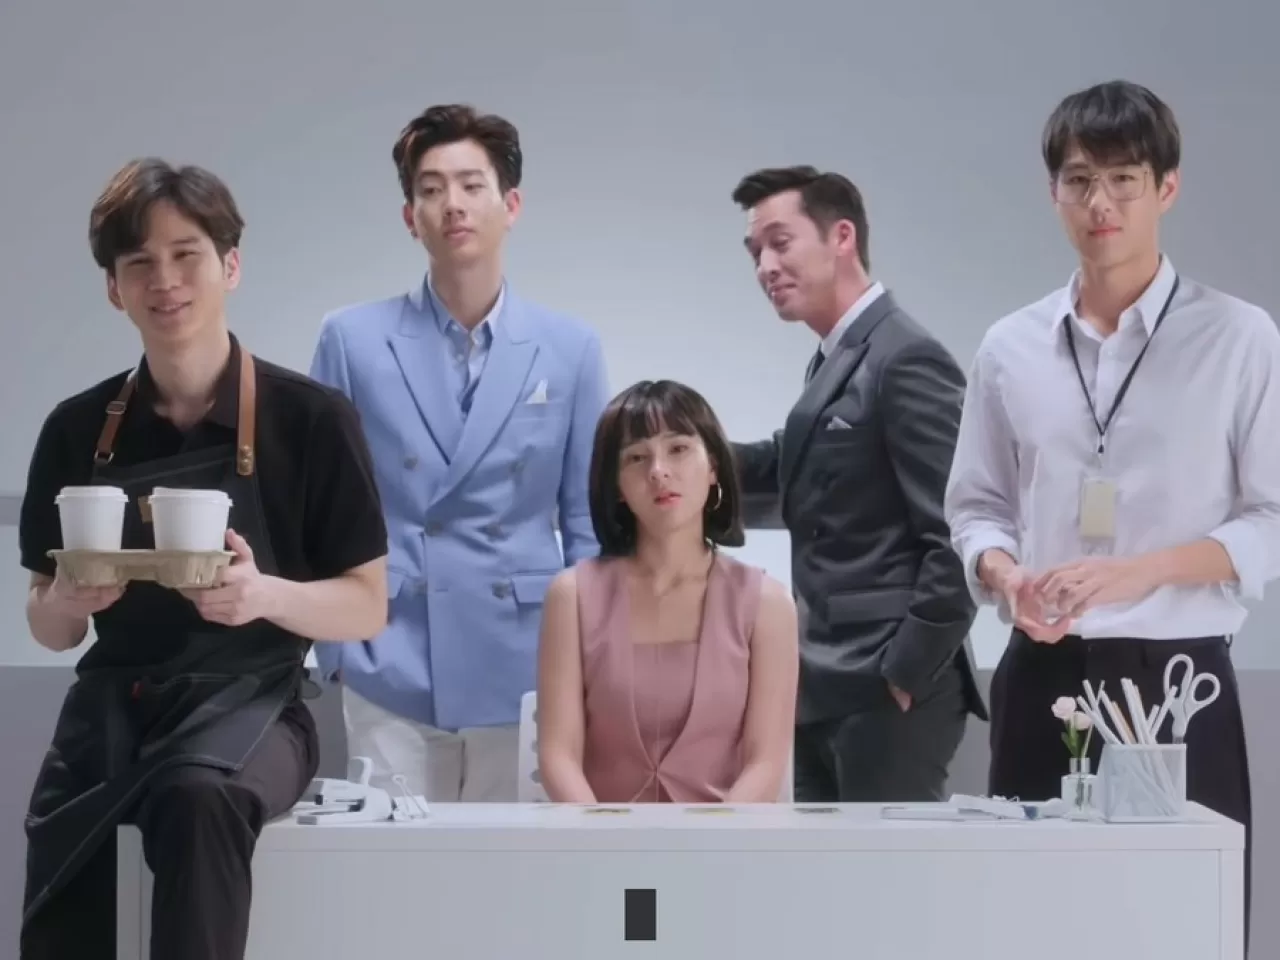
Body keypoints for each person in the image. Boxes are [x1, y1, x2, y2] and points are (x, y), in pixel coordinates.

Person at [17, 159, 389, 959]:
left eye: (186, 254)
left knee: (197, 798)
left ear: (231, 265)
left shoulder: (312, 419)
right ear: (114, 288)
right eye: (139, 262)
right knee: (61, 848)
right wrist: (68, 601)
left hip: (255, 702)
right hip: (113, 703)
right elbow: (49, 627)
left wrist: (264, 596)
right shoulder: (76, 429)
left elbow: (367, 603)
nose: (165, 280)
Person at [944, 80, 1273, 944]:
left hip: (1178, 682)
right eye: (1080, 180)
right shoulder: (1010, 346)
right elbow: (976, 508)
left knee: (1183, 932)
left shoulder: (1239, 338)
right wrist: (1005, 577)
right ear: (1053, 191)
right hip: (1041, 672)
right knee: (1030, 929)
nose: (1101, 203)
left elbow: (1271, 520)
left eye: (1124, 179)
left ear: (1167, 188)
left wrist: (1139, 573)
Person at [308, 103, 609, 802]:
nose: (453, 204)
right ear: (409, 215)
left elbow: (587, 523)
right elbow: (318, 509)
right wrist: (339, 653)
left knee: (511, 862)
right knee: (398, 862)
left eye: (472, 185)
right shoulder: (352, 339)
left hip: (527, 659)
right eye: (431, 188)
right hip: (390, 654)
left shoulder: (570, 349)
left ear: (511, 205)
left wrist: (588, 660)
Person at [728, 166, 986, 803]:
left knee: (885, 871)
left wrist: (906, 669)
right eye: (755, 252)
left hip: (885, 688)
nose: (765, 266)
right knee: (821, 868)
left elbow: (958, 531)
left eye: (780, 243)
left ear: (841, 236)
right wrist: (673, 448)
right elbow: (788, 470)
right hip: (823, 682)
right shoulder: (835, 357)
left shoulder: (906, 357)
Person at [537, 380, 798, 803]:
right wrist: (602, 835)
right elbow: (558, 756)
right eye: (636, 457)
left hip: (727, 840)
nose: (658, 471)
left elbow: (765, 764)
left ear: (713, 467)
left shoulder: (767, 604)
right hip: (597, 839)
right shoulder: (572, 597)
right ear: (616, 486)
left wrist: (711, 839)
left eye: (678, 449)